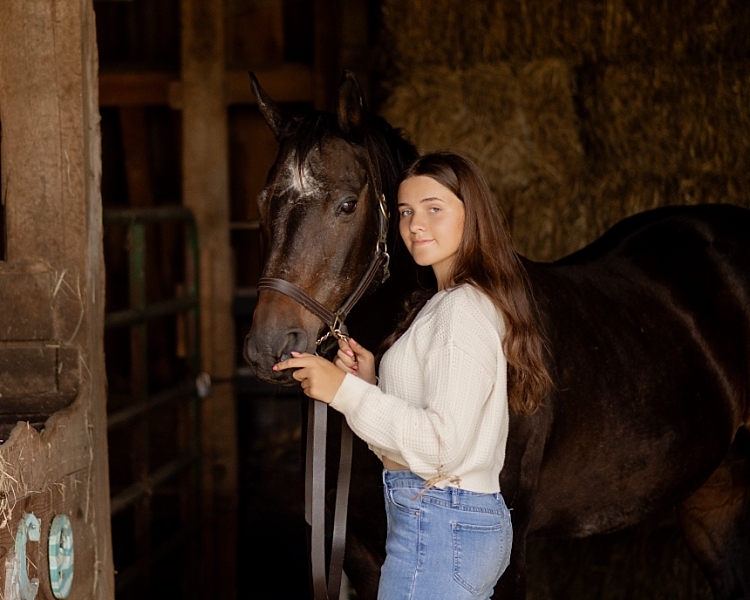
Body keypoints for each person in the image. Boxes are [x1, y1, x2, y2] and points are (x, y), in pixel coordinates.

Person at [274, 152, 551, 600]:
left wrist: (344, 392)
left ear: (472, 215)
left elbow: (440, 448)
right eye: (406, 212)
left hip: (440, 527)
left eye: (433, 209)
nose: (415, 224)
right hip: (448, 522)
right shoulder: (452, 302)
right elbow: (425, 436)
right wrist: (369, 387)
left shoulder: (460, 311)